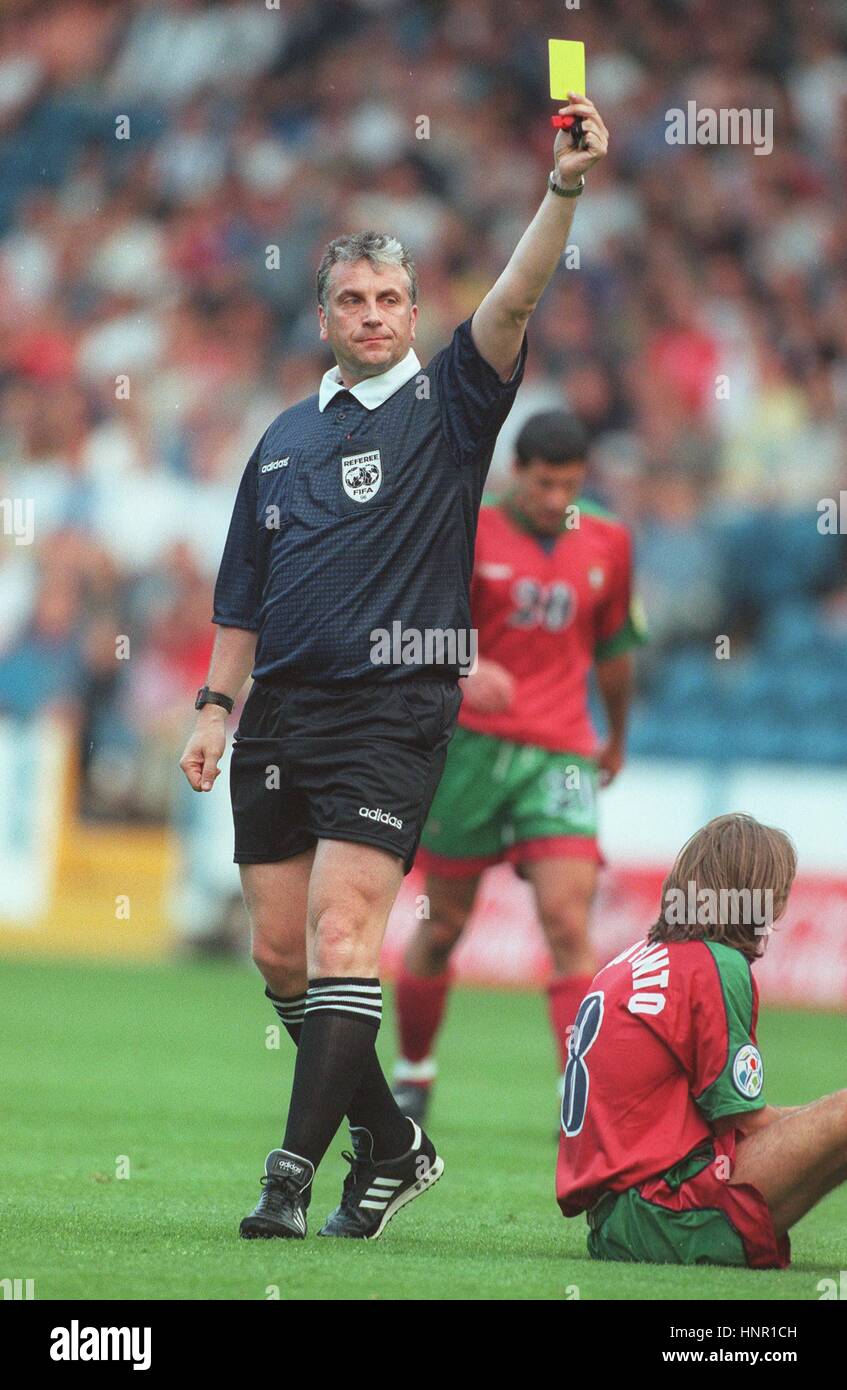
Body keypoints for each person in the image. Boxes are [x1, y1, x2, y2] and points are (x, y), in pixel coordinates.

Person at [178, 93, 610, 1241]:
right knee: (278, 953)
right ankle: (393, 1142)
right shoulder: (279, 440)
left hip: (396, 710)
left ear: (417, 312)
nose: (373, 314)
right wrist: (216, 705)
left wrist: (561, 188)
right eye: (352, 300)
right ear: (323, 315)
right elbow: (241, 600)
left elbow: (516, 294)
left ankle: (286, 1176)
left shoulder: (451, 403)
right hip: (280, 715)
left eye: (390, 298)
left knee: (339, 938)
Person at [392, 409, 645, 1122]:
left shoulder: (607, 540)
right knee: (443, 925)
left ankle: (580, 1089)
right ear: (516, 473)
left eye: (568, 485)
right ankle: (413, 1069)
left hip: (561, 750)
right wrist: (464, 666)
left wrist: (614, 736)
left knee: (568, 921)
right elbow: (411, 632)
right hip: (469, 747)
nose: (554, 499)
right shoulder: (467, 529)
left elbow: (616, 646)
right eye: (542, 483)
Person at [557, 813, 843, 1269]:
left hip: (616, 1219)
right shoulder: (714, 965)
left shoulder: (637, 957)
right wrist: (827, 1119)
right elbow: (746, 1120)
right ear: (755, 894)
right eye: (778, 893)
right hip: (665, 1215)